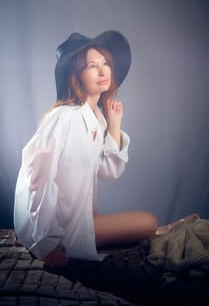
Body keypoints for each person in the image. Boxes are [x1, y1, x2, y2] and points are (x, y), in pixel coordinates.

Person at [14, 30, 158, 269]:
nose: (103, 71)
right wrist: (47, 244)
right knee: (149, 222)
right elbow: (38, 180)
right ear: (75, 75)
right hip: (59, 230)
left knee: (147, 223)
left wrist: (114, 124)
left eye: (105, 63)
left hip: (82, 220)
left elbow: (110, 170)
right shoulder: (64, 117)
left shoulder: (94, 118)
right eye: (92, 66)